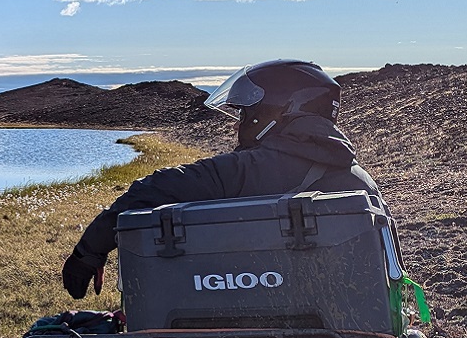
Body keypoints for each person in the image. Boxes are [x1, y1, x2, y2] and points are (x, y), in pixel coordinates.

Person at [62, 59, 381, 299]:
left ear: (272, 112)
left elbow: (154, 188)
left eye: (244, 114)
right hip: (345, 325)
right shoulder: (362, 181)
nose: (238, 124)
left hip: (254, 319)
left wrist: (89, 251)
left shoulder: (248, 169)